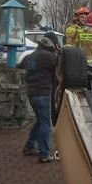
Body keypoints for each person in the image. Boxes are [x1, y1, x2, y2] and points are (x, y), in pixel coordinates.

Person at [22, 34, 58, 163]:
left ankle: (30, 146)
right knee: (45, 123)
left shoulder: (31, 56)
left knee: (40, 121)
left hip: (32, 93)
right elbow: (58, 74)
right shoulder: (49, 57)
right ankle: (44, 154)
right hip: (43, 93)